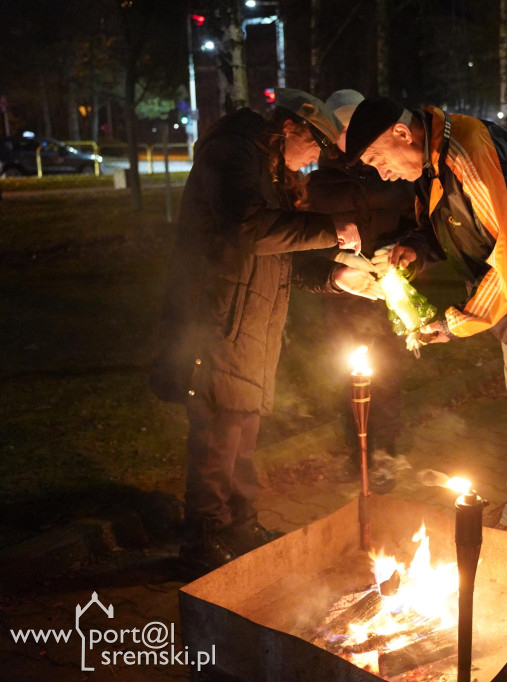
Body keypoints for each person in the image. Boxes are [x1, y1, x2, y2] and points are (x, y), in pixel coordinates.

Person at [344, 96, 507, 536]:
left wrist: (456, 321)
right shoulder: (436, 157)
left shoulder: (468, 153)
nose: (381, 171)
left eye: (377, 158)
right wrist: (416, 248)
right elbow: (447, 225)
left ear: (401, 133)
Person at [149, 88, 383, 576]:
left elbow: (275, 259)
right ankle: (202, 541)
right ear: (295, 129)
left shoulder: (271, 171)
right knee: (217, 437)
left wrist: (335, 278)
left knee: (242, 432)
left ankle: (239, 524)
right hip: (213, 321)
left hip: (248, 324)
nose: (316, 160)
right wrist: (331, 228)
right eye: (317, 147)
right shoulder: (232, 152)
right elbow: (248, 231)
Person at [293, 89, 417, 494]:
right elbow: (303, 246)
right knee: (351, 377)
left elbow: (415, 226)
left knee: (390, 377)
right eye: (342, 128)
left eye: (353, 128)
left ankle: (387, 454)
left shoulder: (389, 172)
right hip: (342, 300)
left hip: (388, 293)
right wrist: (338, 267)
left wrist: (403, 254)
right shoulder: (317, 183)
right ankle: (358, 454)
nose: (348, 137)